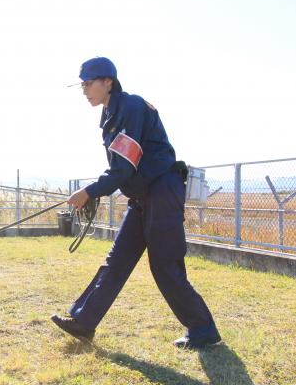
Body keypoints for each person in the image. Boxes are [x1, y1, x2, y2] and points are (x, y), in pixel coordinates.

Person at [51, 56, 221, 348]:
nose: (85, 90)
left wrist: (89, 191)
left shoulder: (130, 108)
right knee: (116, 262)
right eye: (82, 85)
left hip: (162, 190)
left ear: (108, 82)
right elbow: (122, 168)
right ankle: (85, 322)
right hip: (142, 196)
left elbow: (123, 169)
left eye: (89, 83)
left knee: (165, 265)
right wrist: (92, 191)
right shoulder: (109, 116)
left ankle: (203, 329)